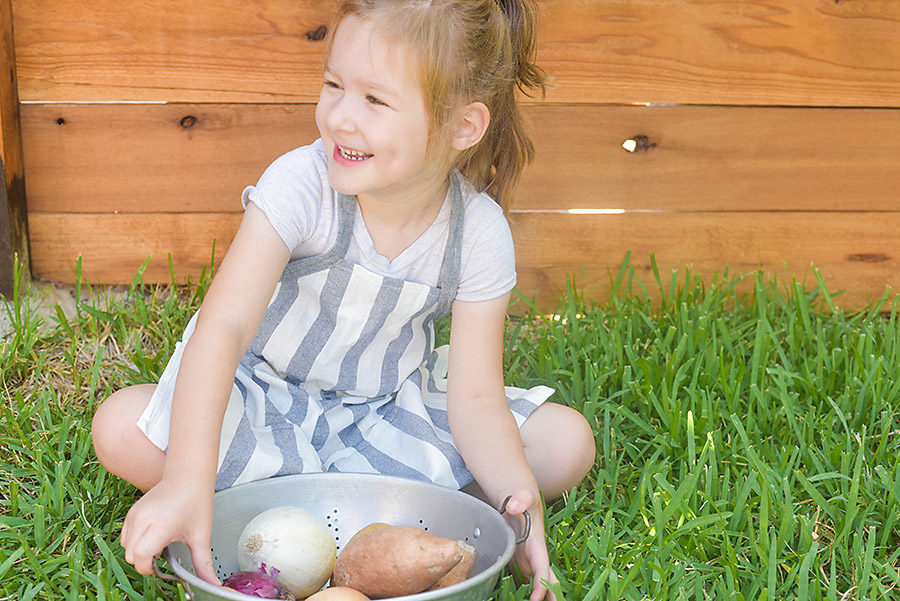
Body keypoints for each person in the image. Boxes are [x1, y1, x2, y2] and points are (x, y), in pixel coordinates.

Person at [91, 1, 596, 599]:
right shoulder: (302, 185)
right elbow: (222, 329)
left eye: (375, 100)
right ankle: (362, 509)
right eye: (333, 85)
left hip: (385, 410)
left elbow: (477, 397)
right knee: (122, 427)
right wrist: (183, 479)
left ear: (463, 126)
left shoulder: (477, 232)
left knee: (564, 444)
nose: (340, 118)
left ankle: (324, 507)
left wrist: (518, 497)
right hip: (263, 396)